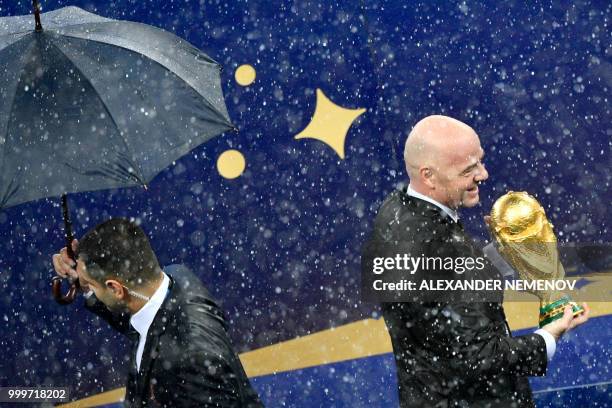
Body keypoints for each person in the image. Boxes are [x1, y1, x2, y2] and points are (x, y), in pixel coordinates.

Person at [365, 115, 590, 407]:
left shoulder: (399, 210)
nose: (483, 174)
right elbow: (481, 359)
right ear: (428, 176)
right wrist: (549, 335)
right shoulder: (432, 245)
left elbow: (441, 297)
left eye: (480, 161)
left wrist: (498, 257)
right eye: (468, 169)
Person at [52, 218, 263, 407]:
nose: (87, 289)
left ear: (116, 288)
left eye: (91, 286)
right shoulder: (175, 279)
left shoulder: (191, 359)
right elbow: (129, 312)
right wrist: (85, 279)